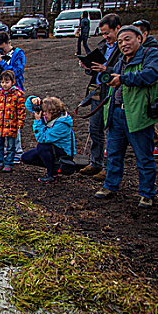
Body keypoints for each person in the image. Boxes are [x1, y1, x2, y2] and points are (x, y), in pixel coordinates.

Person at [94, 25, 158, 209]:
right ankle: (110, 185)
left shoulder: (150, 55)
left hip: (138, 114)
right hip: (117, 112)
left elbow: (150, 75)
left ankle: (147, 193)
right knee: (113, 153)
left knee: (143, 156)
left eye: (127, 39)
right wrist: (99, 71)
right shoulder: (122, 59)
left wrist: (123, 78)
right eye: (120, 41)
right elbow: (112, 76)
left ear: (140, 38)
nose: (123, 44)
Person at [79, 14, 122, 181]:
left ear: (117, 28)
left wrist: (106, 68)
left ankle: (108, 168)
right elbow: (95, 68)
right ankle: (95, 162)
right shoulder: (104, 45)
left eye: (107, 33)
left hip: (112, 93)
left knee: (111, 131)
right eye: (103, 33)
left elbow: (122, 70)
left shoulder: (123, 48)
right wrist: (88, 66)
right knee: (94, 129)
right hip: (97, 91)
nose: (105, 37)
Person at [0, 31, 26, 163]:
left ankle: (16, 151)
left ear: (9, 43)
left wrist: (1, 62)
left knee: (12, 122)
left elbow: (17, 72)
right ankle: (0, 151)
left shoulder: (18, 54)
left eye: (2, 48)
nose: (0, 51)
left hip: (14, 94)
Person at [21, 96, 76, 184]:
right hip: (53, 148)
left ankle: (51, 174)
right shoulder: (51, 117)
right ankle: (54, 166)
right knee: (26, 157)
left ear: (53, 112)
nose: (43, 114)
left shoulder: (62, 125)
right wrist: (33, 100)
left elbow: (42, 138)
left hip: (64, 152)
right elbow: (28, 105)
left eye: (45, 112)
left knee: (42, 147)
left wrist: (38, 121)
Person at [0, 70, 26, 172]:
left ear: (13, 82)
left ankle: (9, 163)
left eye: (7, 82)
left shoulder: (18, 95)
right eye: (3, 82)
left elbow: (21, 110)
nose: (4, 84)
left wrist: (20, 123)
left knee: (11, 146)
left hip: (11, 125)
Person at [133, 19, 158, 157]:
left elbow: (150, 74)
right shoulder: (134, 51)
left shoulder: (152, 51)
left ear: (145, 33)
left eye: (138, 34)